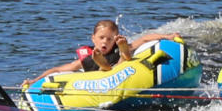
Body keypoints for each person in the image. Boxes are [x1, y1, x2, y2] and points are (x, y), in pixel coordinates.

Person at [34, 19, 177, 77]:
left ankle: (122, 54)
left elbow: (145, 38)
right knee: (98, 65)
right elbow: (58, 70)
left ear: (115, 40)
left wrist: (168, 36)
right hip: (100, 76)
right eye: (101, 38)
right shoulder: (87, 58)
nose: (105, 42)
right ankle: (103, 64)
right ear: (93, 39)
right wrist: (35, 80)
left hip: (119, 68)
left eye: (110, 39)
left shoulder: (118, 47)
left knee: (125, 57)